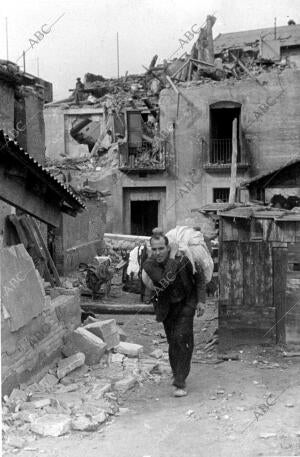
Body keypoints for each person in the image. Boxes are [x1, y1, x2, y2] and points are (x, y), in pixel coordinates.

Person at [142, 231, 206, 397]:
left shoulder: (183, 259)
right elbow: (165, 280)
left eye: (161, 248)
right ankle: (177, 370)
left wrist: (201, 300)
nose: (157, 253)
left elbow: (198, 277)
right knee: (173, 342)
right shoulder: (149, 265)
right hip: (166, 308)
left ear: (167, 247)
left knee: (182, 338)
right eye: (154, 249)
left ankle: (180, 380)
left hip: (186, 303)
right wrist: (171, 256)